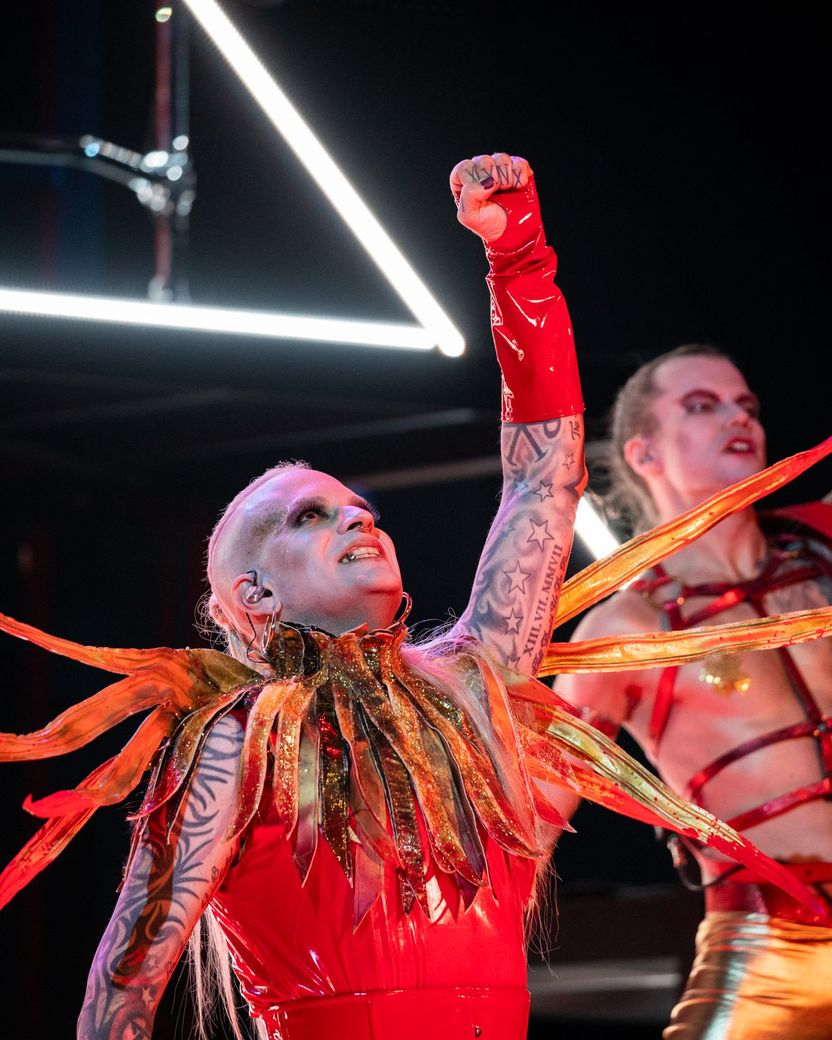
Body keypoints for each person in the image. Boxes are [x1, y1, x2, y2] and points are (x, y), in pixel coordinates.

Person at [0, 161, 826, 1040]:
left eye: (364, 510)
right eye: (309, 517)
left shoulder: (475, 687)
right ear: (254, 593)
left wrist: (519, 265)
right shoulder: (231, 741)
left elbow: (544, 477)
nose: (357, 519)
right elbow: (125, 981)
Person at [554, 343, 832, 1038]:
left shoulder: (823, 553)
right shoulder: (623, 627)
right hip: (772, 948)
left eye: (746, 406)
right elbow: (532, 813)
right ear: (645, 455)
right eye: (702, 406)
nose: (738, 419)